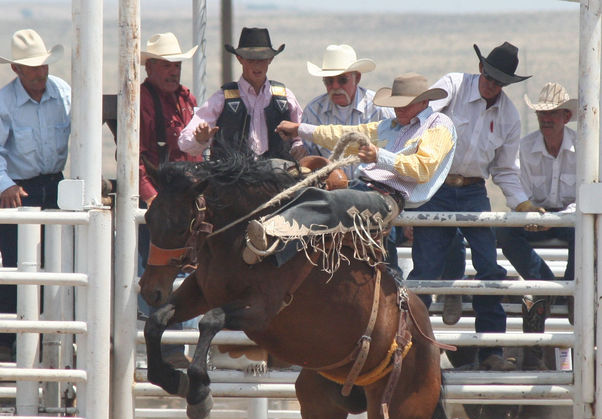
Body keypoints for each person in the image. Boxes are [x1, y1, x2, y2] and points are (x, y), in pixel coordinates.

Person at [247, 73, 456, 268]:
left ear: (424, 102)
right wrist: (300, 129)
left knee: (332, 201)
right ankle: (271, 239)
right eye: (396, 104)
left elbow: (423, 168)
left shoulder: (439, 125)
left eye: (404, 104)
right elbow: (347, 133)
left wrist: (379, 156)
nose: (398, 109)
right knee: (309, 191)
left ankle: (273, 250)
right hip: (363, 187)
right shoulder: (390, 125)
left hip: (388, 197)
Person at [408, 41, 531, 371]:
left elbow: (506, 168)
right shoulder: (452, 85)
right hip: (435, 186)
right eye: (491, 76)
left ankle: (491, 347)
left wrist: (522, 203)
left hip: (474, 191)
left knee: (489, 268)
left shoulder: (508, 115)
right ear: (481, 69)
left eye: (500, 80)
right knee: (426, 269)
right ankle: (413, 345)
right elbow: (423, 113)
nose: (493, 84)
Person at [0, 29, 70, 362]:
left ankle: (49, 341)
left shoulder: (64, 93)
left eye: (42, 65)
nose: (40, 72)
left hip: (55, 186)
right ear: (16, 70)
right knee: (20, 268)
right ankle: (14, 344)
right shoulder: (4, 102)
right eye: (32, 67)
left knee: (59, 264)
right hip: (19, 192)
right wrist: (5, 185)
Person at [497, 82, 576, 368]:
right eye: (543, 112)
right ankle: (550, 284)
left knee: (584, 230)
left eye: (552, 112)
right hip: (536, 214)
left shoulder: (583, 148)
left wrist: (557, 217)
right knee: (504, 232)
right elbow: (520, 191)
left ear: (565, 117)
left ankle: (565, 287)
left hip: (568, 217)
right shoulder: (525, 148)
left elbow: (588, 194)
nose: (546, 118)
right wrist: (532, 214)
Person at [139, 32, 201, 368]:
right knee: (157, 273)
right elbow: (135, 159)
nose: (173, 70)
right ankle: (164, 345)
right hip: (162, 205)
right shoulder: (144, 101)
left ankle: (179, 346)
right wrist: (150, 198)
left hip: (182, 205)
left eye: (176, 64)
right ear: (150, 68)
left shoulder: (186, 100)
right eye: (166, 64)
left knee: (187, 271)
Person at [178, 27, 305, 161]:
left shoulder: (285, 98)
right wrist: (199, 139)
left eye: (262, 59)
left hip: (279, 176)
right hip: (230, 178)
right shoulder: (221, 99)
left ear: (270, 59)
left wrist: (299, 146)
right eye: (251, 60)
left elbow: (302, 135)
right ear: (240, 59)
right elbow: (185, 143)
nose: (257, 66)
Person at [302, 44, 394, 175]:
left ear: (357, 78)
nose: (335, 86)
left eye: (342, 80)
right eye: (329, 81)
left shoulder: (378, 109)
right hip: (328, 189)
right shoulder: (312, 112)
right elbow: (309, 157)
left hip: (371, 189)